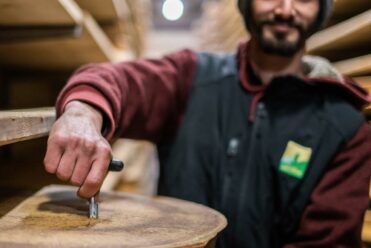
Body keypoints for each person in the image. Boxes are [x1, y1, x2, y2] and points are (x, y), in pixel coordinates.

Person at [44, 0, 371, 247]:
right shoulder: (191, 77)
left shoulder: (344, 126)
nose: (285, 9)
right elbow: (118, 79)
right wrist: (83, 112)